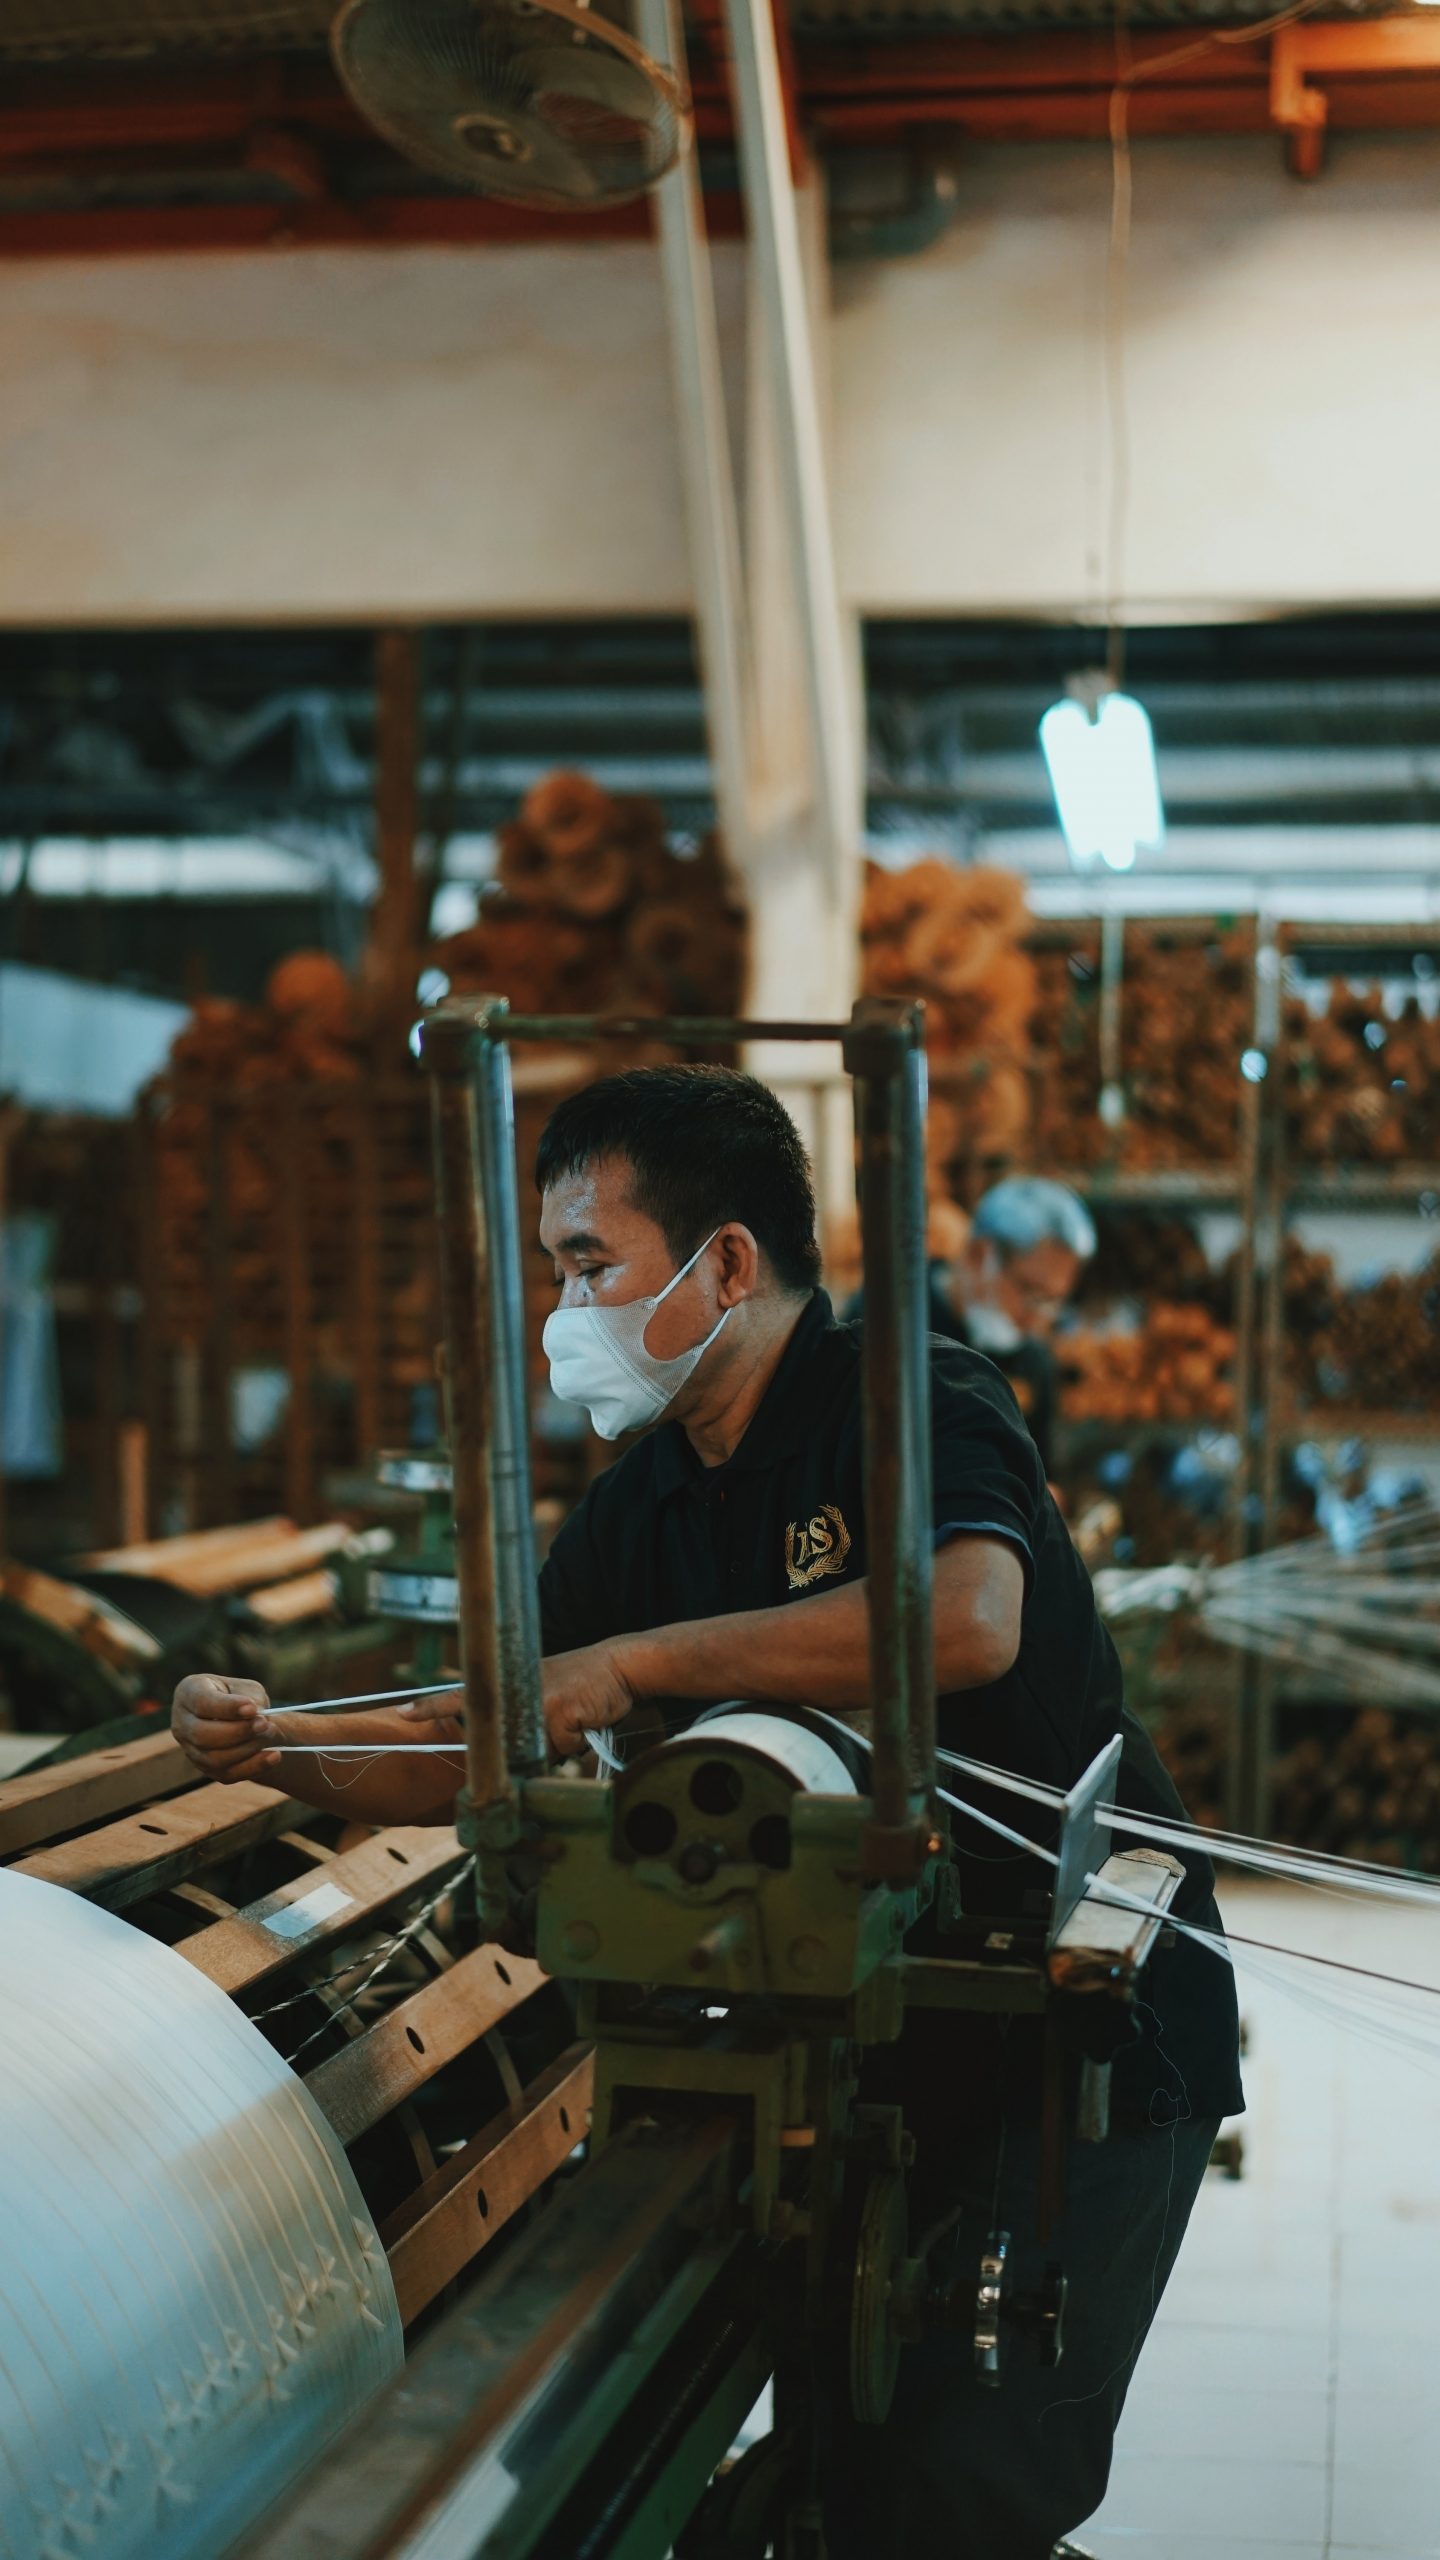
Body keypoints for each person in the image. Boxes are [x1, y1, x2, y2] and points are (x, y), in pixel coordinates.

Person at [172, 1065, 1241, 2560]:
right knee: (837, 2476)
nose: (566, 1315)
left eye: (589, 1265)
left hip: (1076, 2030)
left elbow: (969, 1619)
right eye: (556, 1273)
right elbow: (487, 1738)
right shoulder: (646, 1503)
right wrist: (275, 1746)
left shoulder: (910, 1398)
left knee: (957, 2496)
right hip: (866, 2045)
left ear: (724, 1262)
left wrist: (640, 1663)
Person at [923, 1174, 1096, 1476]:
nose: (1035, 1319)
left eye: (1052, 1302)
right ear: (979, 1256)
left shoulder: (1032, 1362)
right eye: (1030, 1293)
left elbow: (1046, 1476)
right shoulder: (892, 1326)